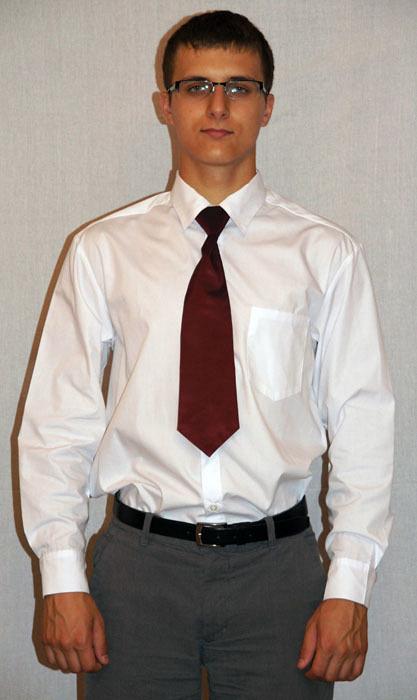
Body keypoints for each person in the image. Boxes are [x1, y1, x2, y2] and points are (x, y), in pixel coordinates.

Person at [18, 10, 394, 700]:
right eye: (196, 86)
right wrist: (61, 574)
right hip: (138, 571)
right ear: (165, 104)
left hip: (277, 573)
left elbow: (361, 421)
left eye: (239, 87)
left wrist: (350, 584)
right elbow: (57, 419)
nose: (218, 106)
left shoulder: (325, 254)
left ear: (267, 107)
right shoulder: (103, 251)